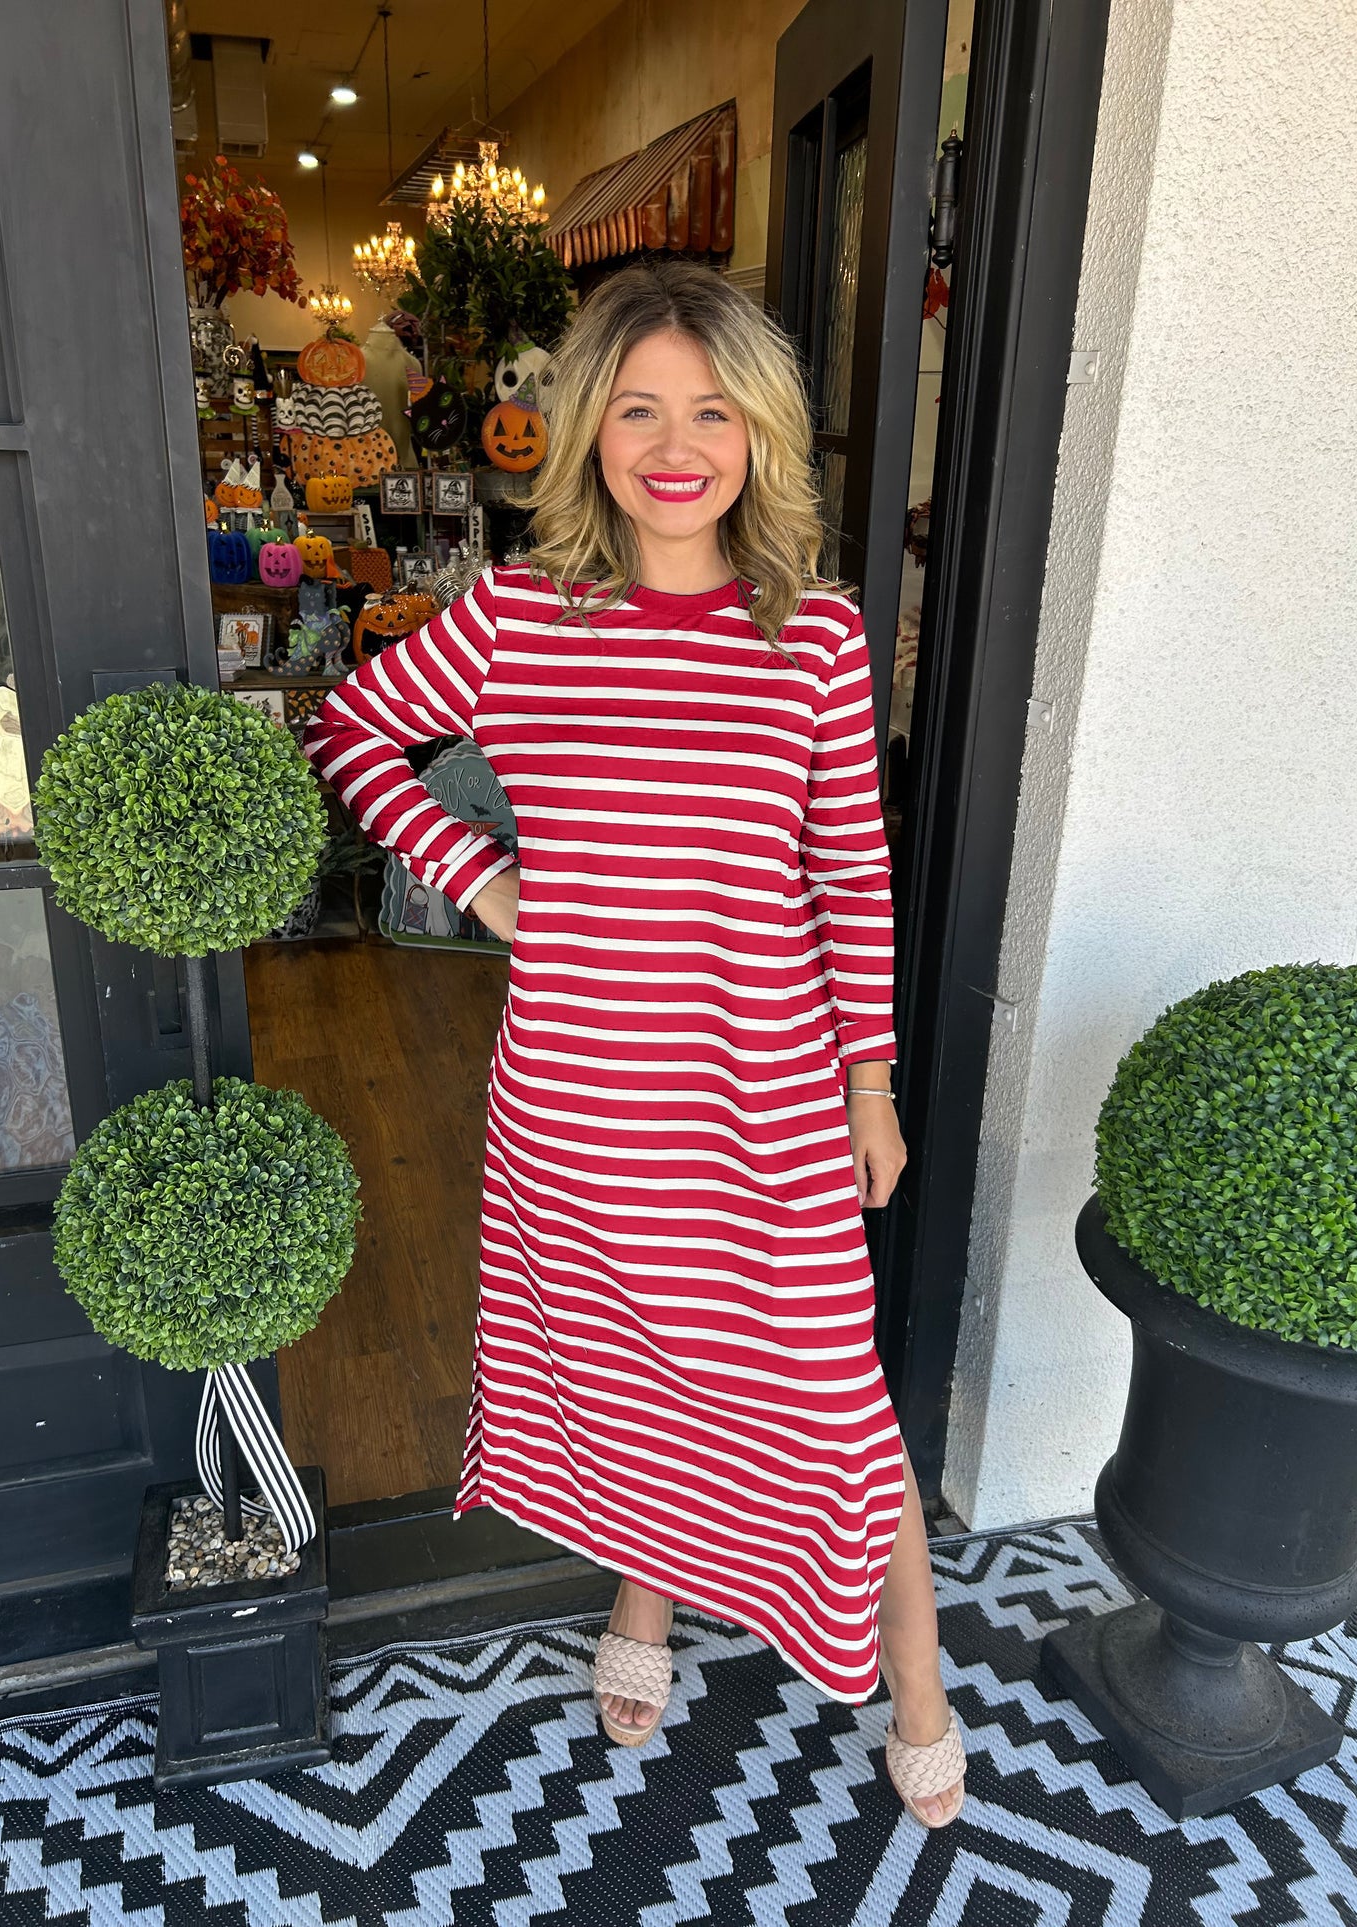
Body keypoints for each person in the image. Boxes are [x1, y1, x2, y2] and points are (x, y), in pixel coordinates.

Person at [302, 260, 966, 1828]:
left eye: (713, 412)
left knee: (835, 1400)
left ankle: (918, 1687)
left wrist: (869, 1086)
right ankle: (644, 1600)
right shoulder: (520, 615)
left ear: (760, 434)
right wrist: (487, 886)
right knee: (626, 1369)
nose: (676, 447)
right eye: (641, 410)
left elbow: (849, 878)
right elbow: (351, 731)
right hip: (583, 1097)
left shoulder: (814, 635)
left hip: (765, 1095)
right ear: (590, 428)